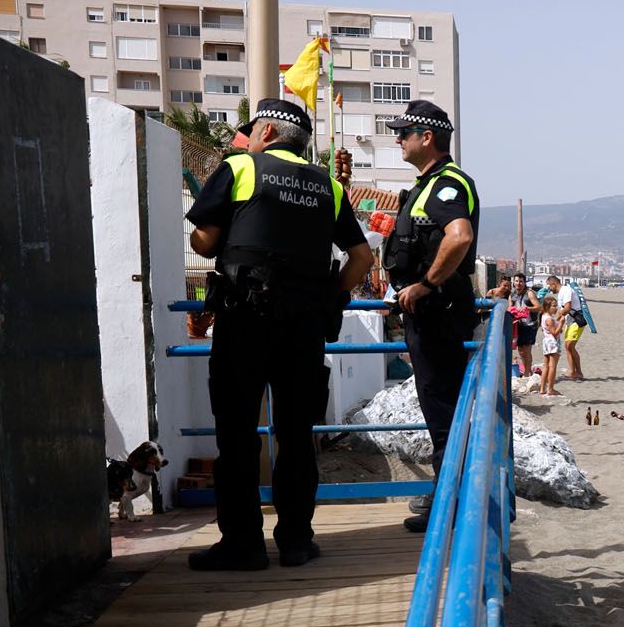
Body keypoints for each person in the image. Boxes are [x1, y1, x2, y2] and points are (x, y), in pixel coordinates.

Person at [185, 98, 373, 571]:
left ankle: (244, 545)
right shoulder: (328, 185)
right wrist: (328, 297)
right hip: (304, 329)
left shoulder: (241, 167)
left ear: (266, 132)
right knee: (295, 434)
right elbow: (362, 258)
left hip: (244, 323)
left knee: (238, 435)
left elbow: (204, 241)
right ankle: (296, 542)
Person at [381, 100, 479, 533]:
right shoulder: (424, 186)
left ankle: (450, 504)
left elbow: (459, 237)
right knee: (439, 409)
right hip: (428, 317)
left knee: (444, 412)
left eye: (404, 132)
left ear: (428, 137)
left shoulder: (447, 185)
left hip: (440, 317)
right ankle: (447, 494)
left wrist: (427, 284)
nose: (398, 139)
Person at [537, 293, 564, 397]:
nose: (556, 307)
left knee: (546, 366)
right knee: (552, 366)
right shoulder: (549, 319)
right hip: (552, 342)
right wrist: (561, 323)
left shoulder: (545, 316)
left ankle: (542, 388)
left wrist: (558, 320)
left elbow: (552, 327)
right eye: (553, 305)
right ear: (547, 306)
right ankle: (551, 389)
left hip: (546, 342)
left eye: (556, 305)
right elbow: (555, 332)